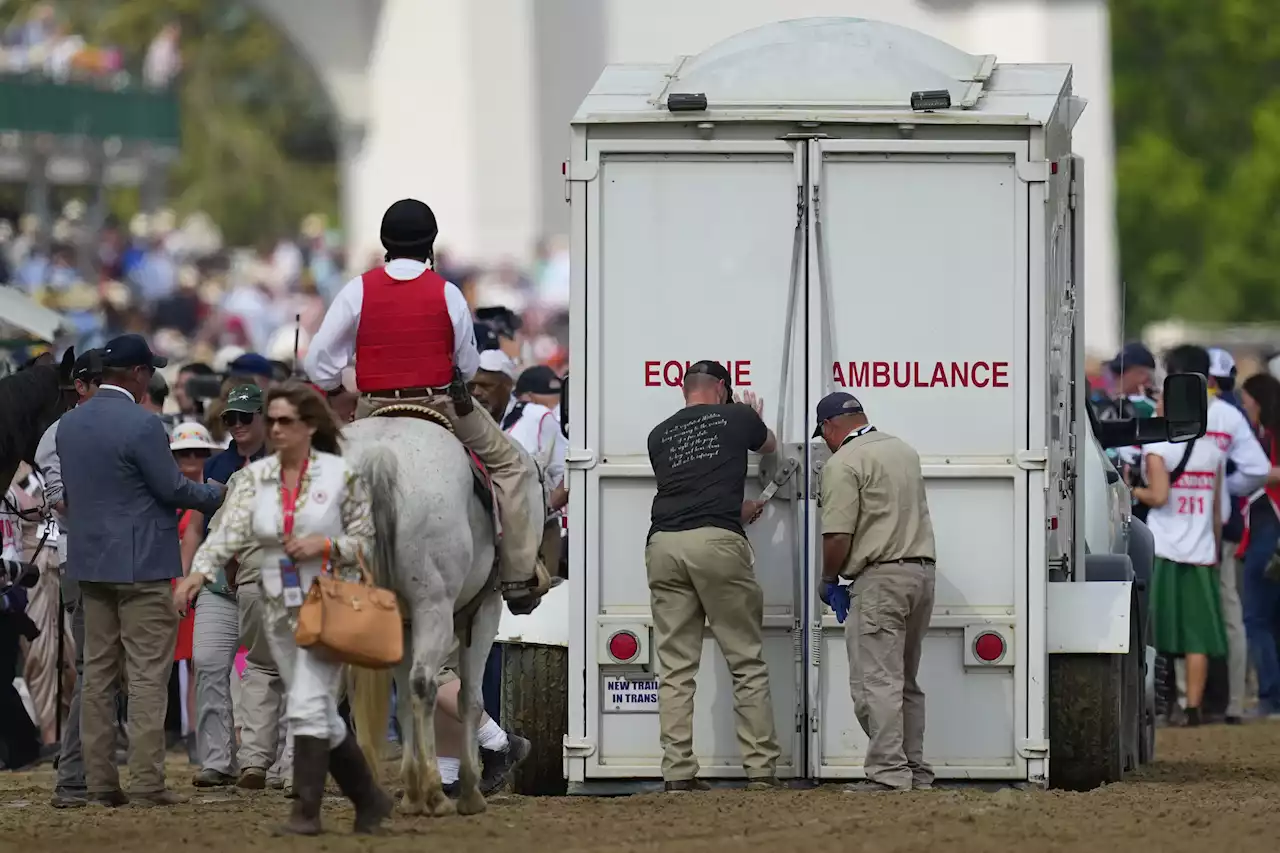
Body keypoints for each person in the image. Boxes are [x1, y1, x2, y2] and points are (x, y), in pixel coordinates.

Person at [302, 198, 550, 615]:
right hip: (441, 404)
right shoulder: (447, 292)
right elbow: (469, 366)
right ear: (430, 244)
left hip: (371, 407)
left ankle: (302, 577)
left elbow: (318, 363)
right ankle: (519, 576)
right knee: (515, 466)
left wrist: (336, 383)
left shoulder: (357, 289)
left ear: (385, 243)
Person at [174, 383, 392, 835]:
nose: (274, 429)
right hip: (272, 599)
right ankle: (367, 798)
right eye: (270, 420)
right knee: (312, 704)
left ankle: (308, 811)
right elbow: (227, 534)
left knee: (313, 701)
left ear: (310, 426)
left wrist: (324, 543)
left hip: (327, 598)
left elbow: (366, 542)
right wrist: (199, 573)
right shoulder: (251, 479)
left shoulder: (341, 478)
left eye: (284, 421)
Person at [57, 334, 226, 807]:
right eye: (149, 369)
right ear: (135, 374)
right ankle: (148, 782)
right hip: (142, 563)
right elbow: (172, 489)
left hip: (90, 562)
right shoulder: (144, 425)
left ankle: (99, 783)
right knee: (149, 675)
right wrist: (217, 492)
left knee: (97, 677)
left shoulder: (69, 424)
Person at [644, 360, 781, 792]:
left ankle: (678, 774)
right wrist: (752, 415)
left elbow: (690, 490)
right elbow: (770, 446)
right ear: (722, 388)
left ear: (685, 391)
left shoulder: (659, 434)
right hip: (717, 545)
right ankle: (760, 771)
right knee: (745, 660)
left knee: (676, 668)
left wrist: (731, 505)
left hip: (664, 544)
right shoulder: (737, 415)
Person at [815, 392, 936, 793]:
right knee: (905, 681)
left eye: (824, 436)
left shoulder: (844, 462)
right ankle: (914, 770)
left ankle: (887, 774)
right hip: (920, 575)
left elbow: (837, 535)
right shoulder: (903, 450)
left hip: (880, 579)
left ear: (831, 427)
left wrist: (829, 579)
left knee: (875, 683)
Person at [181, 383, 288, 790]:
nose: (238, 425)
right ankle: (217, 759)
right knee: (208, 663)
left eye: (246, 417)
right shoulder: (217, 465)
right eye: (231, 418)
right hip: (218, 582)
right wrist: (188, 576)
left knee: (273, 668)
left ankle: (270, 759)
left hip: (264, 578)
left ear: (265, 418)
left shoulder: (282, 461)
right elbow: (195, 525)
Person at [1167, 344, 1268, 723]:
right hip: (1217, 528)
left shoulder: (1170, 412)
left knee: (1179, 614)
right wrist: (1225, 489)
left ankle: (1183, 701)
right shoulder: (1228, 414)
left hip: (1175, 529)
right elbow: (1256, 468)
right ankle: (1233, 703)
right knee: (1228, 612)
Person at [1133, 393, 1227, 727]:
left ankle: (1164, 703)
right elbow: (1217, 512)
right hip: (1201, 551)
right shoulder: (1213, 452)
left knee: (1159, 633)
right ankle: (1193, 708)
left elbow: (1159, 497)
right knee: (1197, 637)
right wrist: (1214, 550)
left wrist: (1132, 490)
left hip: (1165, 547)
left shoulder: (1158, 449)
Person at [37, 349, 105, 807]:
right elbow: (61, 501)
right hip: (83, 554)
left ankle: (86, 767)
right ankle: (76, 773)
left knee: (100, 670)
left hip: (97, 555)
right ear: (79, 386)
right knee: (92, 669)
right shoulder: (58, 432)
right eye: (101, 381)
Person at [1236, 372, 1280, 720]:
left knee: (1257, 617)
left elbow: (1266, 473)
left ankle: (1270, 696)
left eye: (1247, 398)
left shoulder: (1268, 437)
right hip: (1267, 527)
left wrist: (1255, 472)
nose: (1244, 403)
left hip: (1269, 527)